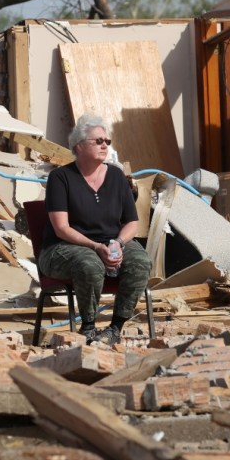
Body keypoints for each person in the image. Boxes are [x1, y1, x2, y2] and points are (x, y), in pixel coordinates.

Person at [37, 114, 151, 345]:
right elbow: (61, 228)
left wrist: (118, 243)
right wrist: (96, 246)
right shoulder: (61, 178)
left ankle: (115, 328)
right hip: (63, 248)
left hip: (109, 243)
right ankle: (87, 327)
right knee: (89, 263)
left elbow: (132, 222)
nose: (104, 146)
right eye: (98, 141)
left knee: (140, 262)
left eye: (107, 142)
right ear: (79, 146)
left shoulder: (117, 176)